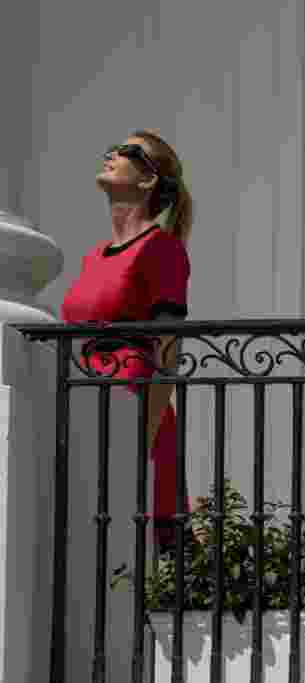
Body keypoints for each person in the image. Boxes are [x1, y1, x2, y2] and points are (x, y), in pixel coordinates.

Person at [61, 129, 194, 552]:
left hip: (131, 403)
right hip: (86, 401)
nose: (112, 154)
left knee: (124, 549)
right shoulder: (93, 255)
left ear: (149, 179)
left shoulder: (162, 250)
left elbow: (169, 352)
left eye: (128, 151)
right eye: (112, 147)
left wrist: (146, 437)